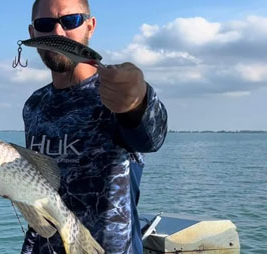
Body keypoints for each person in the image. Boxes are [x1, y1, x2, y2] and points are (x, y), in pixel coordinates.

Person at [20, 0, 169, 253]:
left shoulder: (115, 93)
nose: (58, 33)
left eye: (71, 21)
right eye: (45, 24)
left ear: (90, 25)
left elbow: (151, 138)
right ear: (33, 34)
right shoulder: (34, 105)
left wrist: (138, 100)